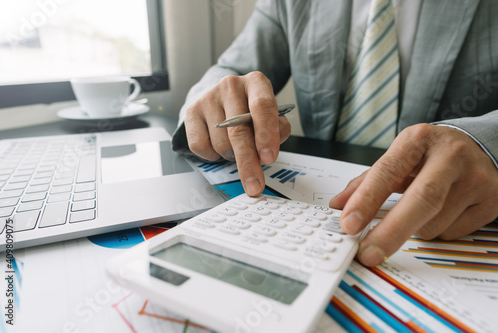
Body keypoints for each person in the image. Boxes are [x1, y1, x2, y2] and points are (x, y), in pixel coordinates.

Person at [172, 0, 498, 267]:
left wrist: (489, 142)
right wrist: (212, 101)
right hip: (316, 219)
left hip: (453, 233)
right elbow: (228, 71)